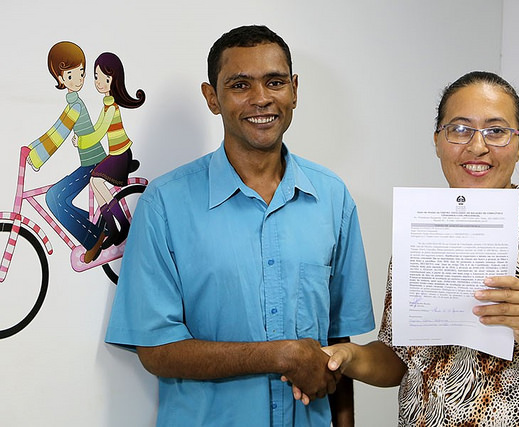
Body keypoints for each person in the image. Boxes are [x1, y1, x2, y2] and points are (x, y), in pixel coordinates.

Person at [105, 25, 374, 427]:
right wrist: (278, 355)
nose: (261, 98)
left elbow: (339, 346)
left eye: (275, 82)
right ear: (212, 98)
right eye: (240, 85)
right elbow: (156, 351)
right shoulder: (165, 203)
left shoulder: (332, 198)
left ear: (295, 89)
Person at [316, 71, 519, 426]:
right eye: (460, 129)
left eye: (496, 131)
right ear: (437, 141)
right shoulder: (420, 230)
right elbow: (400, 359)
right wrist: (348, 355)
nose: (477, 147)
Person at [26, 41, 107, 258]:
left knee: (55, 198)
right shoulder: (73, 103)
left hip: (94, 162)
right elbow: (55, 129)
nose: (79, 79)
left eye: (80, 72)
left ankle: (93, 237)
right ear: (61, 79)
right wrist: (31, 148)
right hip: (90, 162)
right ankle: (98, 230)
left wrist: (37, 157)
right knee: (56, 197)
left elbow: (59, 135)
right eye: (71, 75)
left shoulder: (76, 106)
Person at [78, 52, 145, 262]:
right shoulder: (107, 104)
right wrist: (84, 138)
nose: (99, 82)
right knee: (95, 182)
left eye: (104, 78)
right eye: (96, 77)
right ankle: (116, 226)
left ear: (114, 80)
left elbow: (99, 133)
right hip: (117, 153)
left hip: (121, 154)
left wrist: (81, 141)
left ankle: (121, 226)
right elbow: (98, 128)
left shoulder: (112, 107)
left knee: (95, 180)